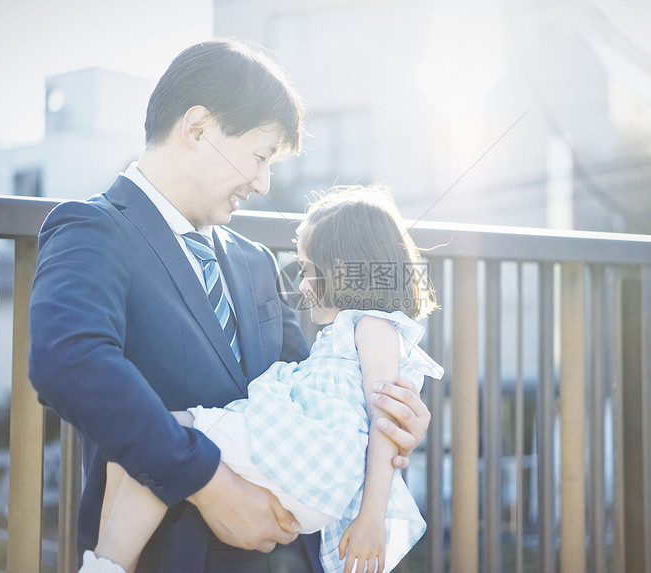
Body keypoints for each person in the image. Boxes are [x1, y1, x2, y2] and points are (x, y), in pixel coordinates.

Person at [28, 40, 432, 573]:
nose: (263, 183)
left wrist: (392, 417)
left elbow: (312, 386)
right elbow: (69, 363)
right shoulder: (93, 229)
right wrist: (206, 481)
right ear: (197, 129)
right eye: (260, 155)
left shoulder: (254, 260)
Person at [80, 187, 443, 573]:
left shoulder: (374, 326)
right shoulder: (346, 333)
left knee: (155, 436)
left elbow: (384, 420)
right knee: (130, 454)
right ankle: (107, 564)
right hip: (305, 460)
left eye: (306, 270)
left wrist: (372, 518)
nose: (302, 284)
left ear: (339, 269)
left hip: (313, 463)